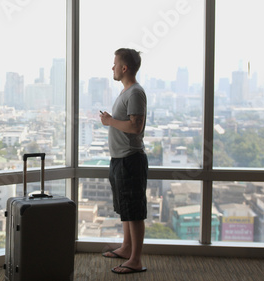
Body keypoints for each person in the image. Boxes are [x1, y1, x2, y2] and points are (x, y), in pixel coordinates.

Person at [99, 48, 148, 274]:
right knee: (126, 209)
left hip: (130, 159)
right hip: (120, 159)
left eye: (115, 63)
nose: (113, 67)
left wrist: (109, 122)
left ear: (124, 68)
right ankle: (127, 248)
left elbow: (136, 127)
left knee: (134, 211)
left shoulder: (135, 93)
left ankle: (135, 260)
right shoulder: (126, 92)